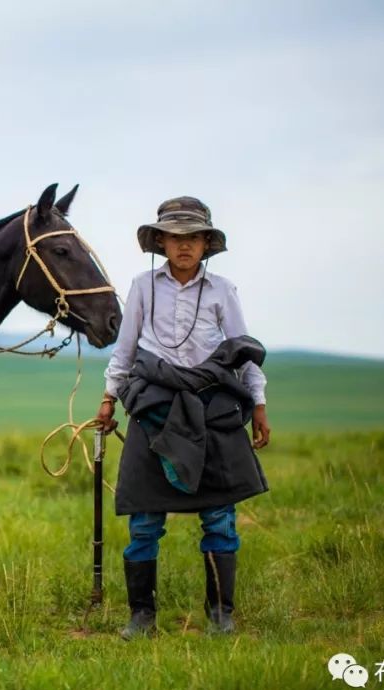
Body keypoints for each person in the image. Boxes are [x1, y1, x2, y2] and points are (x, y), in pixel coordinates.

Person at [97, 196, 271, 639]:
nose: (184, 245)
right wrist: (108, 399)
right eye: (175, 237)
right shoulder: (142, 286)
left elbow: (244, 350)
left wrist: (258, 403)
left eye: (193, 236)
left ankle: (220, 615)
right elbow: (125, 349)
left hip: (212, 408)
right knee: (144, 522)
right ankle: (141, 617)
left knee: (220, 519)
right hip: (153, 406)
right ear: (161, 242)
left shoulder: (223, 290)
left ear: (207, 243)